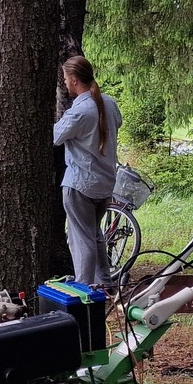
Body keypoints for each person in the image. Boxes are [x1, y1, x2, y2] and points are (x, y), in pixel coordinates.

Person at [53, 55, 122, 287]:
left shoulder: (79, 112)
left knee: (81, 240)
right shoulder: (109, 103)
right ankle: (104, 283)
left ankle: (84, 289)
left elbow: (56, 136)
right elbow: (117, 123)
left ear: (74, 80)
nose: (64, 82)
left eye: (65, 78)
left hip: (80, 185)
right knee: (94, 236)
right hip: (104, 184)